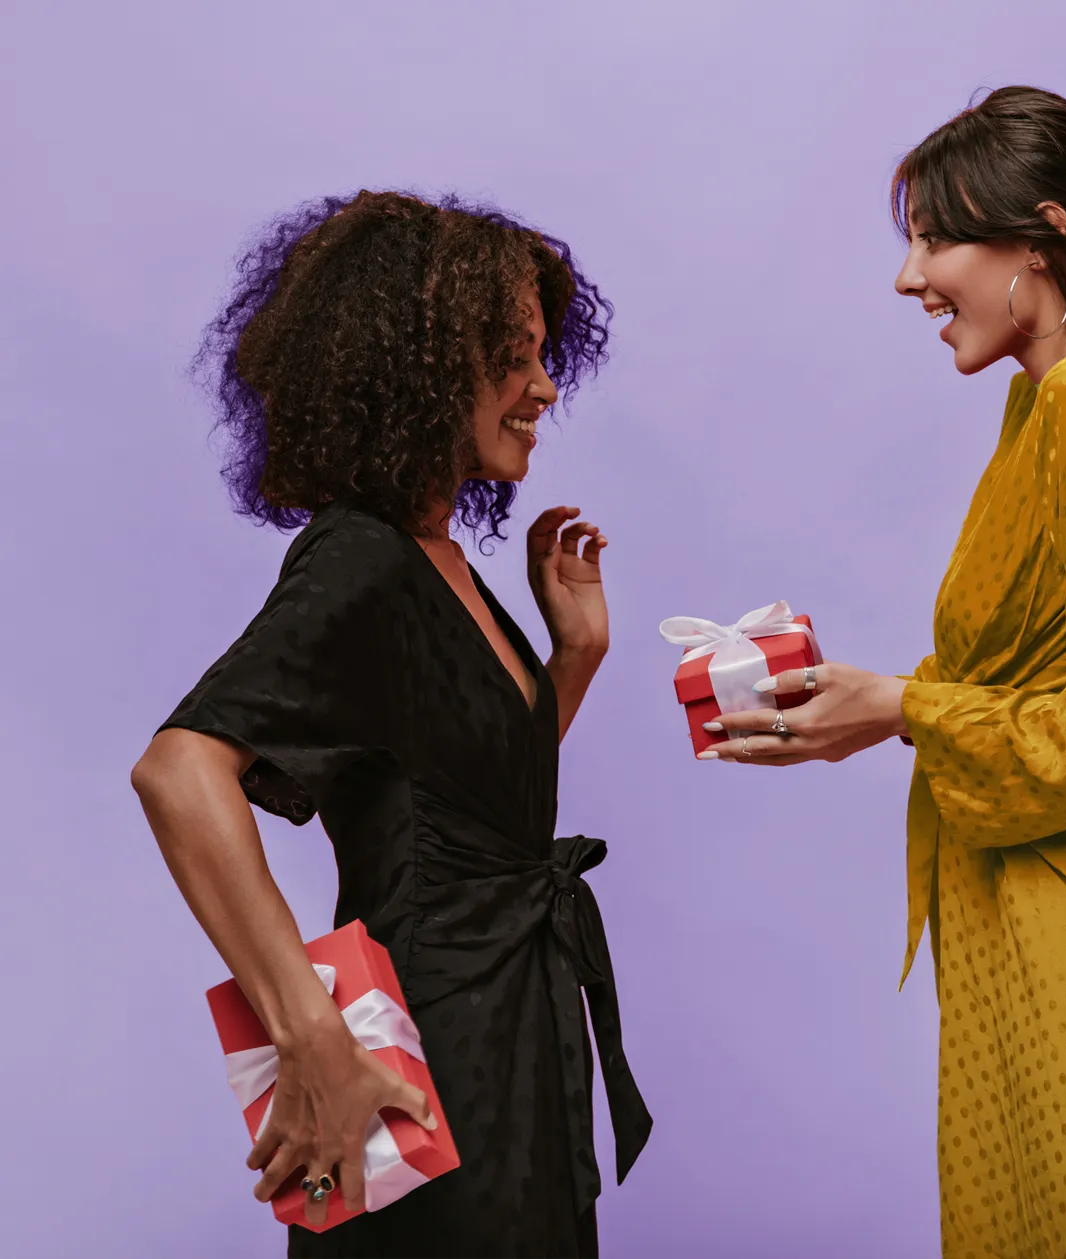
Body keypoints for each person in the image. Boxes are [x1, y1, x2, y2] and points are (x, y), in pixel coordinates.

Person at [704, 85, 1066, 1258]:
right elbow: (1044, 668)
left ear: (1039, 240)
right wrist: (870, 709)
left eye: (934, 238)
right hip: (1052, 959)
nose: (910, 277)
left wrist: (910, 704)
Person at [130, 189, 651, 1258]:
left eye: (545, 354)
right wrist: (310, 1035)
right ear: (416, 371)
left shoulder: (443, 558)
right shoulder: (361, 556)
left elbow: (467, 806)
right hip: (429, 1056)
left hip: (517, 1041)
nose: (545, 386)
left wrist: (574, 658)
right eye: (512, 355)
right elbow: (179, 770)